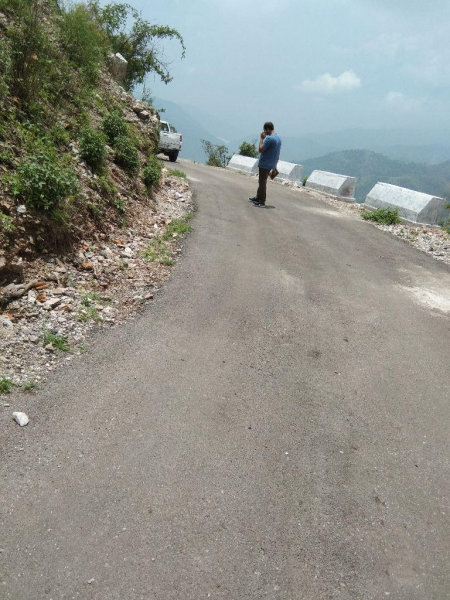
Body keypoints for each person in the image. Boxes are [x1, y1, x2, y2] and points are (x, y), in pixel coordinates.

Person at [249, 122, 282, 208]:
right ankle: (258, 198)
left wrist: (261, 139)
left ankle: (262, 201)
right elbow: (278, 153)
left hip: (265, 163)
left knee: (262, 183)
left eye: (264, 130)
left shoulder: (269, 138)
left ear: (267, 129)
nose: (264, 132)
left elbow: (260, 150)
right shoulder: (278, 138)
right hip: (271, 163)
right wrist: (275, 164)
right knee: (262, 181)